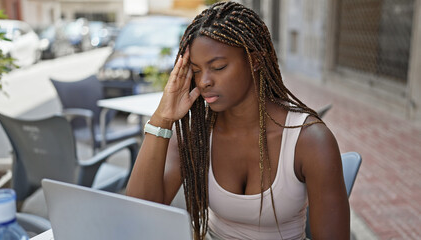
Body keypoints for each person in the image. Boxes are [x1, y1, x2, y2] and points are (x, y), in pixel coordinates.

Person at [126, 1, 349, 239]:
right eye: (196, 70)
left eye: (218, 67)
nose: (204, 82)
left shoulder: (310, 141)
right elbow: (138, 214)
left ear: (255, 61)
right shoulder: (196, 134)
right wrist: (162, 119)